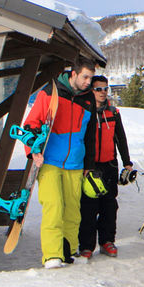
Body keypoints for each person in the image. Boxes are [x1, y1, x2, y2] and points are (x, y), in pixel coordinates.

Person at [23, 57, 96, 269]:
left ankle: (68, 250)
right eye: (85, 77)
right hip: (51, 161)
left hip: (75, 163)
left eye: (90, 78)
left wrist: (88, 165)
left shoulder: (88, 98)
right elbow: (31, 124)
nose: (88, 82)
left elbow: (90, 136)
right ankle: (52, 255)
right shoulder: (50, 92)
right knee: (53, 207)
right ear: (73, 74)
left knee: (73, 211)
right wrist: (33, 151)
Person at [77, 76, 133, 259]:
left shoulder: (113, 112)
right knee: (88, 208)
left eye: (105, 89)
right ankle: (86, 246)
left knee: (109, 206)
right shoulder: (85, 112)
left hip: (109, 165)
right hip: (90, 167)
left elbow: (121, 139)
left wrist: (127, 162)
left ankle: (107, 241)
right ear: (90, 91)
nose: (102, 92)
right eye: (98, 89)